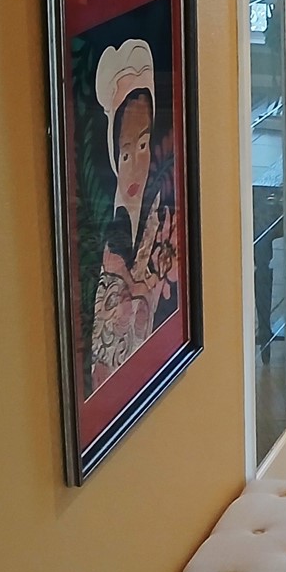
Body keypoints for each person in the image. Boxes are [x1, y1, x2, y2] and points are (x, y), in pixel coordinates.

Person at [88, 37, 181, 392]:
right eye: (125, 154)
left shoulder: (165, 216)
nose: (136, 165)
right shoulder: (111, 237)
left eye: (143, 146)